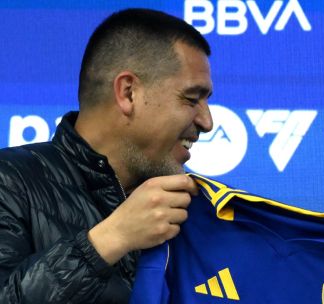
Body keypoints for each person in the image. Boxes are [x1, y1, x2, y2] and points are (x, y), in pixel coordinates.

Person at [0, 8, 213, 303]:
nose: (207, 122)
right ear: (128, 93)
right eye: (191, 99)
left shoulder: (193, 213)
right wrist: (113, 237)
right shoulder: (8, 180)